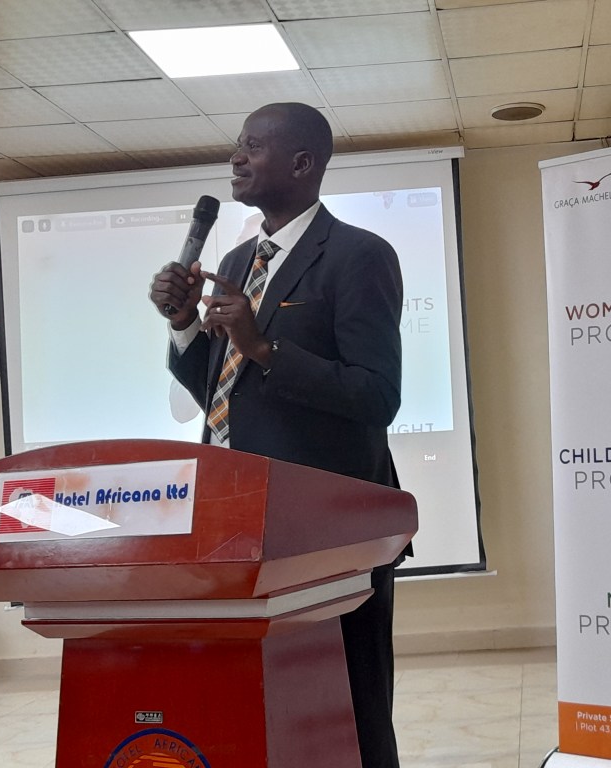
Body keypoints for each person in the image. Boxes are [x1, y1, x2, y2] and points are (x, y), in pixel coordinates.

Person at [149, 102, 406, 768]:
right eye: (238, 144)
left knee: (349, 704)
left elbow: (377, 396)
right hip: (234, 523)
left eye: (253, 146)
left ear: (302, 163)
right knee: (261, 702)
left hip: (329, 533)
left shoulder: (358, 256)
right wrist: (184, 323)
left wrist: (263, 346)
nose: (236, 157)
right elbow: (222, 389)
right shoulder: (238, 259)